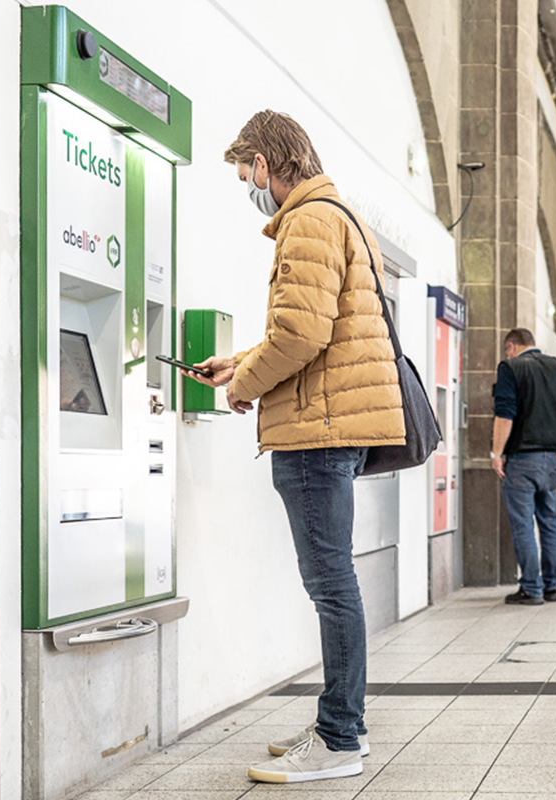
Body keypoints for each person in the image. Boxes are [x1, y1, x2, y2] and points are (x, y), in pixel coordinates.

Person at [197, 110, 403, 784]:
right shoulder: (340, 215)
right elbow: (317, 330)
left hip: (316, 430)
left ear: (267, 160)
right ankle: (341, 725)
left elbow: (302, 335)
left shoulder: (309, 220)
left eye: (245, 173)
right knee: (334, 583)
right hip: (329, 424)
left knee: (330, 586)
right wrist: (241, 360)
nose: (249, 187)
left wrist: (246, 384)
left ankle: (340, 738)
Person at [491, 328, 556, 605]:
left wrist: (496, 453)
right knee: (549, 523)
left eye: (507, 350)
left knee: (523, 525)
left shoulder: (510, 368)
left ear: (511, 346)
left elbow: (504, 416)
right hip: (553, 460)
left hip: (523, 460)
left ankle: (531, 588)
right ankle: (551, 587)